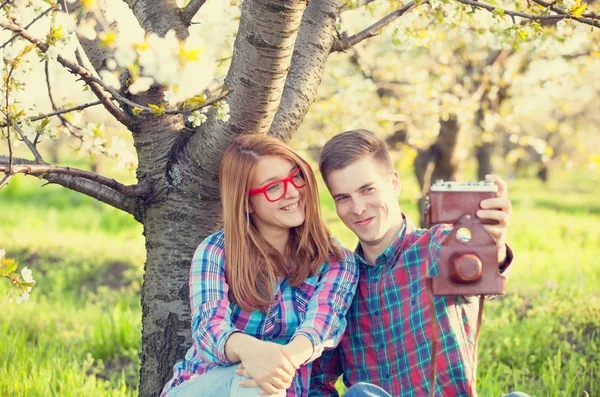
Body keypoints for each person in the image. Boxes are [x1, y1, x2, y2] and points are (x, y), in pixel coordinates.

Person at [306, 129, 524, 397]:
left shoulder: (438, 246)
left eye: (368, 190)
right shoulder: (338, 282)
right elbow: (316, 381)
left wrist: (495, 245)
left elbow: (480, 280)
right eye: (343, 198)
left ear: (394, 183)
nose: (358, 208)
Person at [161, 134, 359, 397]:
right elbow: (209, 330)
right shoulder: (217, 252)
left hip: (282, 390)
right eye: (273, 187)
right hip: (205, 387)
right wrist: (252, 352)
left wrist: (277, 363)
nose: (292, 191)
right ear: (246, 203)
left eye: (296, 175)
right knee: (254, 381)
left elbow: (321, 327)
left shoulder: (336, 260)